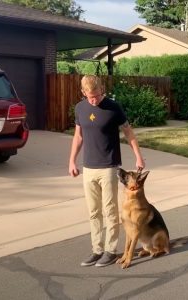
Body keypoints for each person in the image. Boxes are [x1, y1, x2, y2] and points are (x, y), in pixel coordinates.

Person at [68, 75, 145, 267]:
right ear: (83, 93)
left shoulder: (113, 107)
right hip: (89, 167)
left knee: (110, 210)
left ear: (102, 90)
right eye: (90, 97)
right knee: (94, 212)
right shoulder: (80, 108)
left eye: (97, 95)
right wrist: (72, 161)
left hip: (109, 167)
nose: (94, 100)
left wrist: (138, 155)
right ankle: (97, 250)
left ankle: (110, 251)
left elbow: (128, 132)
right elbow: (78, 137)